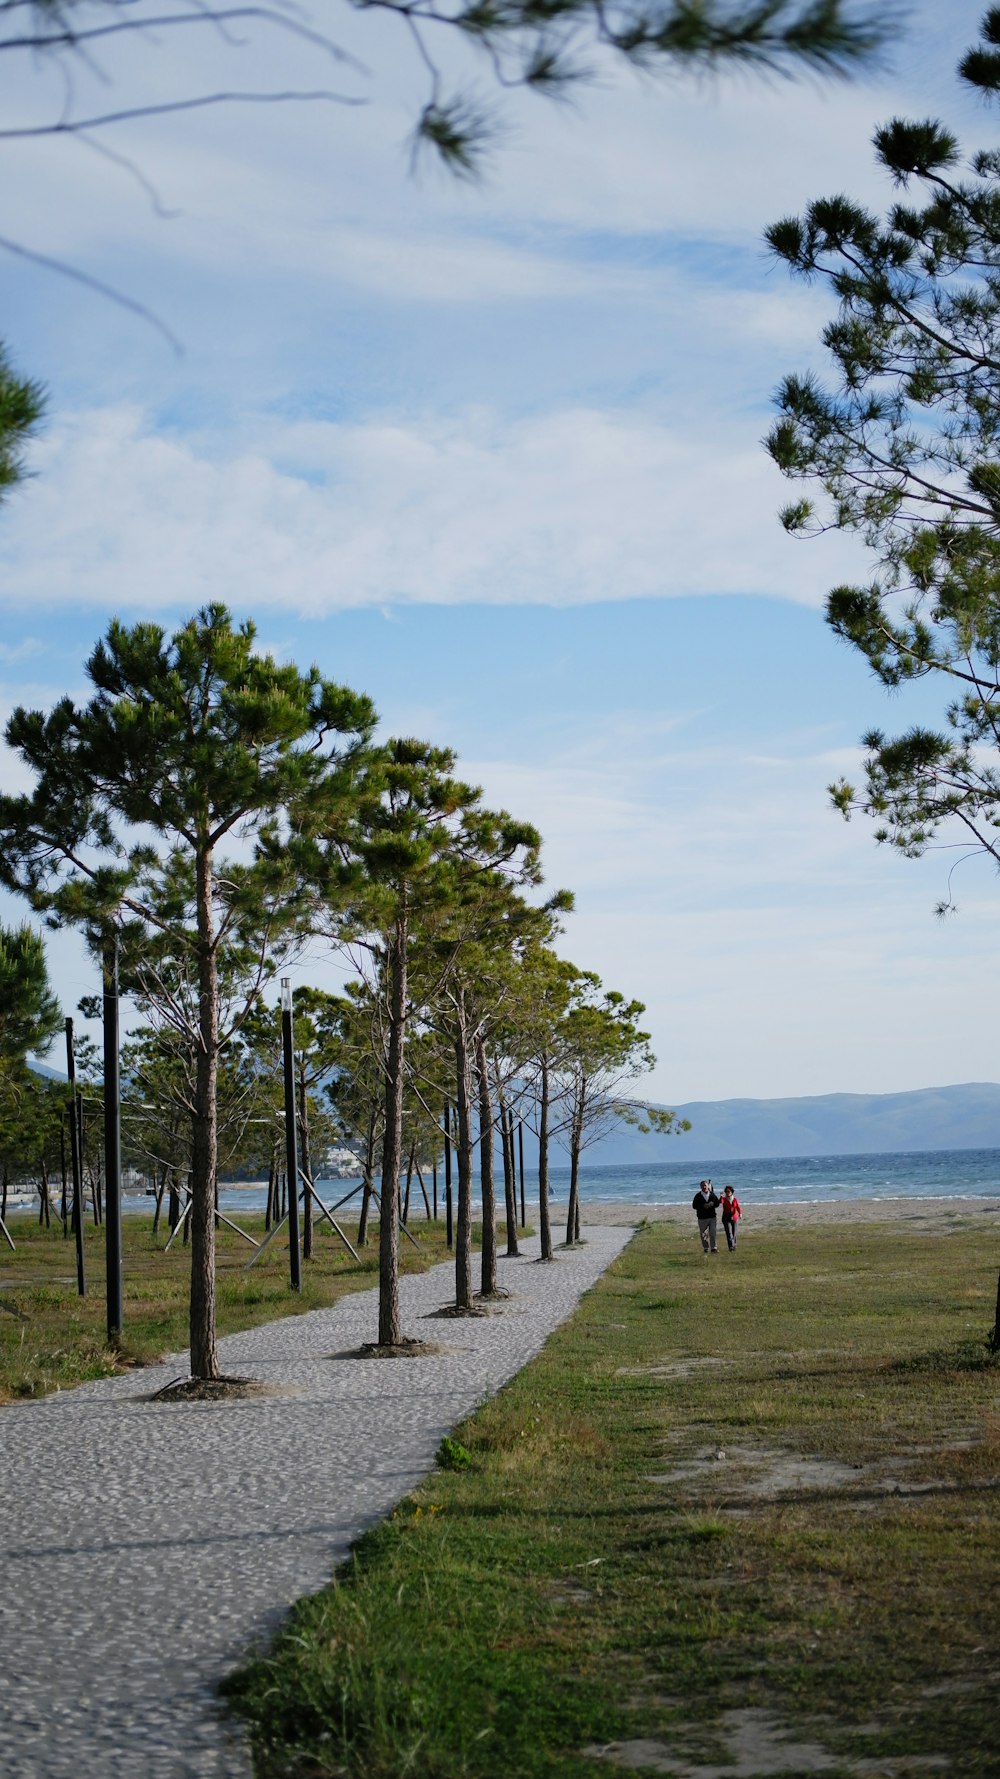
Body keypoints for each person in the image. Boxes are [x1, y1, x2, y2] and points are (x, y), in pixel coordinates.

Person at [691, 1178, 720, 1253]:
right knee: (703, 1234)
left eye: (705, 1185)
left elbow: (717, 1204)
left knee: (713, 1232)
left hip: (712, 1217)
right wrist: (703, 1206)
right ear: (700, 1187)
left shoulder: (712, 1194)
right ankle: (706, 1247)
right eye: (702, 1186)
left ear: (708, 1186)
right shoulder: (698, 1196)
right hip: (702, 1218)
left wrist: (712, 1203)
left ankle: (714, 1248)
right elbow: (694, 1206)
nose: (704, 1187)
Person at [721, 1184, 742, 1250]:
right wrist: (721, 1196)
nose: (727, 1193)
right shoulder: (724, 1199)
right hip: (726, 1218)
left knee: (734, 1233)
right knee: (729, 1233)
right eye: (726, 1191)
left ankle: (734, 1246)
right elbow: (721, 1202)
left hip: (734, 1218)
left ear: (732, 1192)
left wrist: (740, 1213)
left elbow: (738, 1207)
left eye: (729, 1191)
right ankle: (731, 1247)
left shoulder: (734, 1199)